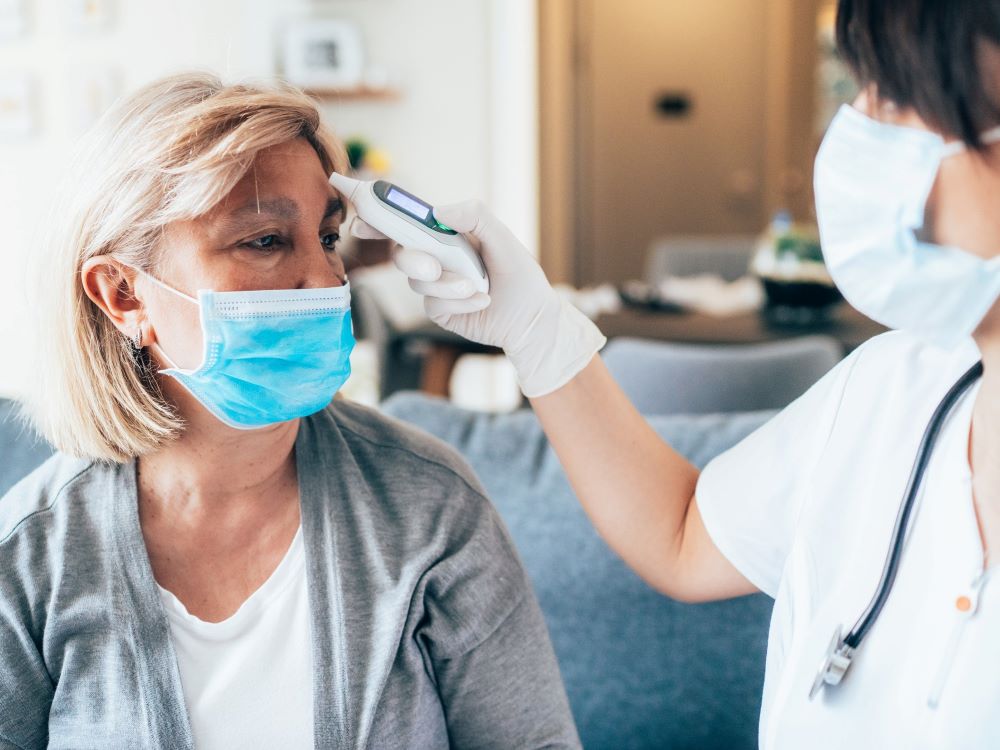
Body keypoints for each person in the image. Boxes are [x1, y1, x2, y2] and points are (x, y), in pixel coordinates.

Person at [376, 0, 1000, 746]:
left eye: (898, 96)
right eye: (865, 87)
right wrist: (535, 330)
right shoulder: (896, 387)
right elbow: (682, 534)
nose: (857, 127)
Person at [0, 73, 580, 750]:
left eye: (328, 238)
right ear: (123, 294)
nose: (327, 280)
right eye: (267, 241)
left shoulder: (429, 505)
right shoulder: (29, 558)